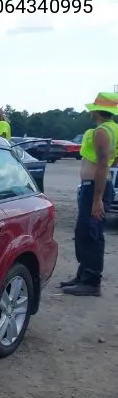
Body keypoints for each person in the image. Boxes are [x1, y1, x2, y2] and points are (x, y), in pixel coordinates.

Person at [59, 92, 118, 297]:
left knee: (90, 234)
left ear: (97, 112)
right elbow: (113, 161)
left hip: (93, 187)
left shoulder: (101, 131)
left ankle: (91, 282)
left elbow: (102, 164)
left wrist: (97, 199)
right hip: (96, 185)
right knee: (86, 232)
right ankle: (83, 275)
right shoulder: (114, 129)